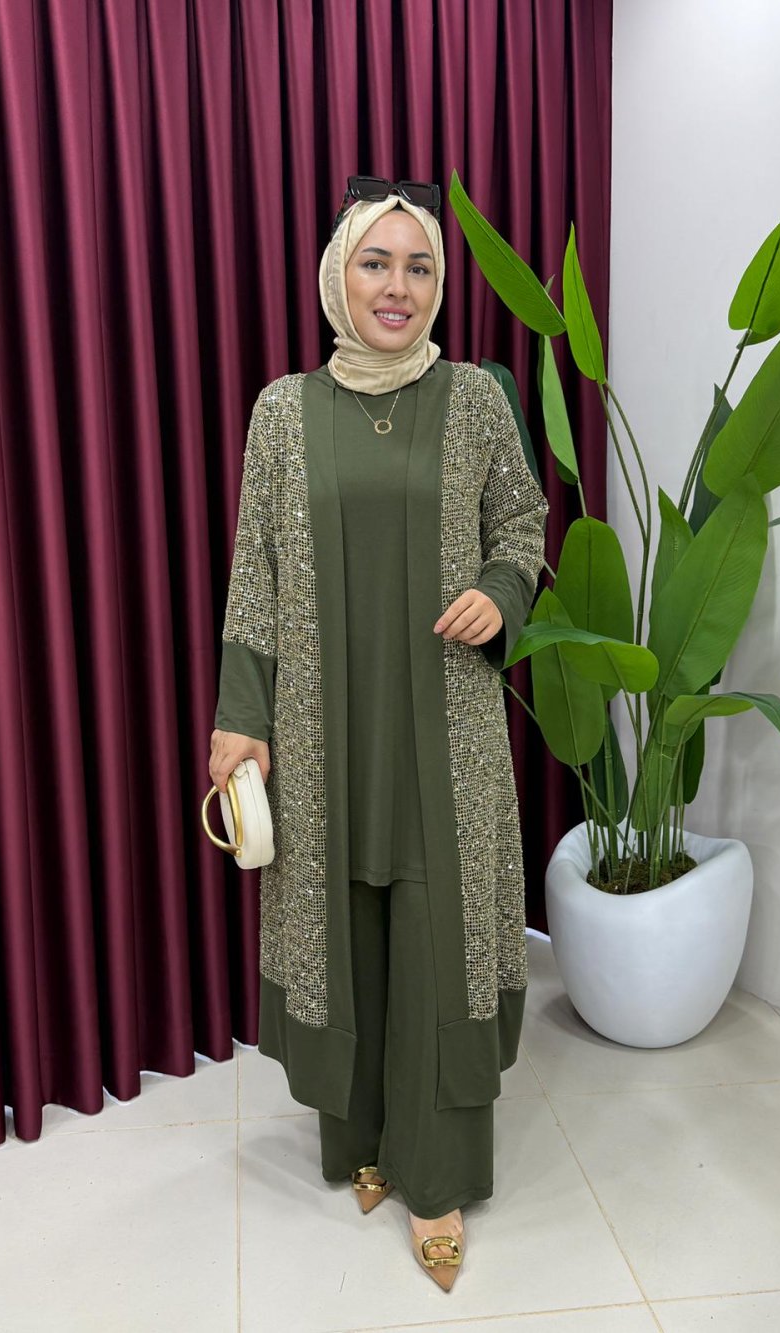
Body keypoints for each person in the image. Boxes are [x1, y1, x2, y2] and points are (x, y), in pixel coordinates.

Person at [208, 176, 547, 1291]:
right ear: (336, 276)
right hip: (322, 731)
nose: (397, 286)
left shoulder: (476, 399)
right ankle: (363, 1142)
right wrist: (239, 719)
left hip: (446, 728)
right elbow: (255, 572)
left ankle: (435, 1178)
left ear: (437, 285)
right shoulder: (282, 413)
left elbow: (522, 522)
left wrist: (501, 589)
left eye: (418, 266)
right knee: (343, 929)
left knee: (440, 939)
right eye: (375, 262)